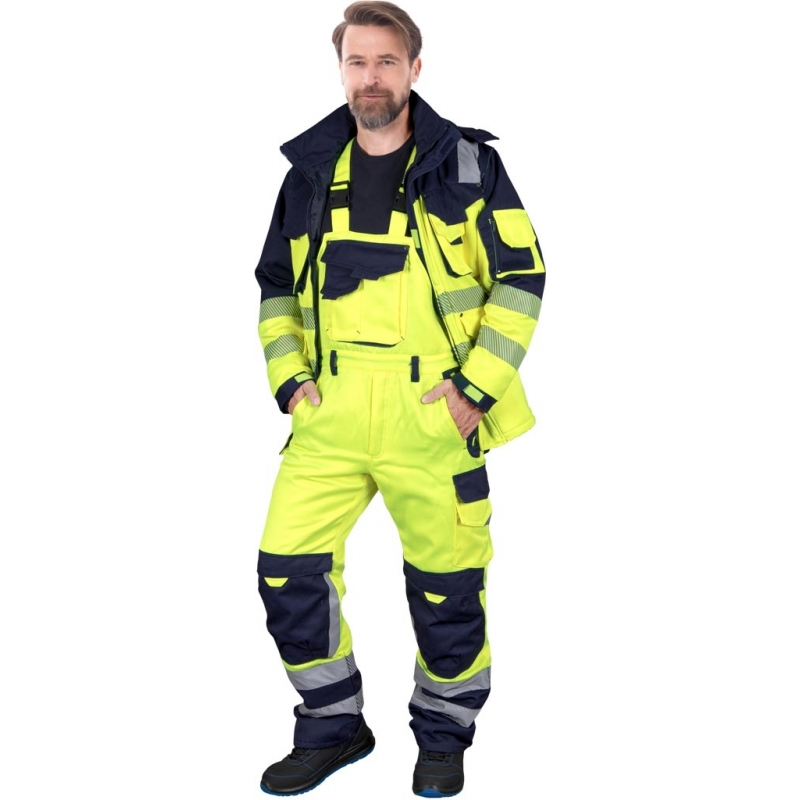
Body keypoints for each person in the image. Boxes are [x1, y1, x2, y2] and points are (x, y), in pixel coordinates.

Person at [253, 2, 545, 795]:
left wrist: (475, 391)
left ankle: (444, 735)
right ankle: (333, 725)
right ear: (341, 70)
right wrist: (290, 381)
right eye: (358, 61)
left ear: (415, 68)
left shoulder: (470, 167)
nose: (371, 77)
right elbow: (275, 284)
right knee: (285, 571)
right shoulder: (309, 174)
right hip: (331, 413)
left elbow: (522, 278)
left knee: (448, 587)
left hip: (433, 412)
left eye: (387, 61)